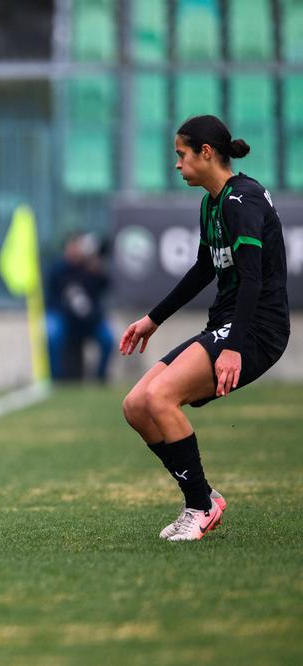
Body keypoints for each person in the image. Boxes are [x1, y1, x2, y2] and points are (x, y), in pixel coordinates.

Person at [120, 115, 289, 542]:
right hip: (228, 325)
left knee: (160, 398)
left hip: (255, 330)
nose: (177, 164)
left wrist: (233, 347)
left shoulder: (242, 202)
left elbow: (251, 279)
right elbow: (202, 269)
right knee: (137, 405)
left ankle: (199, 507)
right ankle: (202, 497)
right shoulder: (212, 202)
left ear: (206, 153)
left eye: (182, 155)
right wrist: (152, 319)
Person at [45, 232, 112, 382]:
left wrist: (97, 269)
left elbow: (106, 287)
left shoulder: (91, 269)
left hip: (90, 321)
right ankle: (56, 378)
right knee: (53, 333)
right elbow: (51, 297)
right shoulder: (58, 268)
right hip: (64, 318)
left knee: (108, 338)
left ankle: (100, 377)